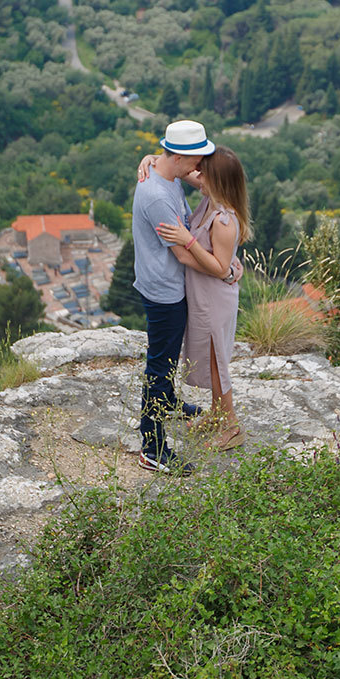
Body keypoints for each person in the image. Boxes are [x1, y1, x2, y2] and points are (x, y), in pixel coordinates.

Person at [129, 120, 215, 473]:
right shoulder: (158, 196)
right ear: (179, 158)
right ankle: (152, 448)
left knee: (165, 358)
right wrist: (221, 270)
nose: (200, 167)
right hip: (164, 291)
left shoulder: (166, 174)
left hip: (165, 284)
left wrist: (152, 157)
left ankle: (167, 402)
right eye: (196, 160)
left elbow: (201, 178)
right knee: (160, 366)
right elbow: (182, 255)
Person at [156, 146, 248, 451]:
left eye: (204, 174)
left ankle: (231, 426)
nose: (199, 177)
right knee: (210, 358)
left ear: (217, 181)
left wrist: (188, 241)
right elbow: (179, 170)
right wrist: (152, 160)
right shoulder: (210, 198)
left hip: (214, 299)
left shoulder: (223, 221)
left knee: (216, 362)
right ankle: (217, 414)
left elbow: (219, 268)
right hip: (204, 294)